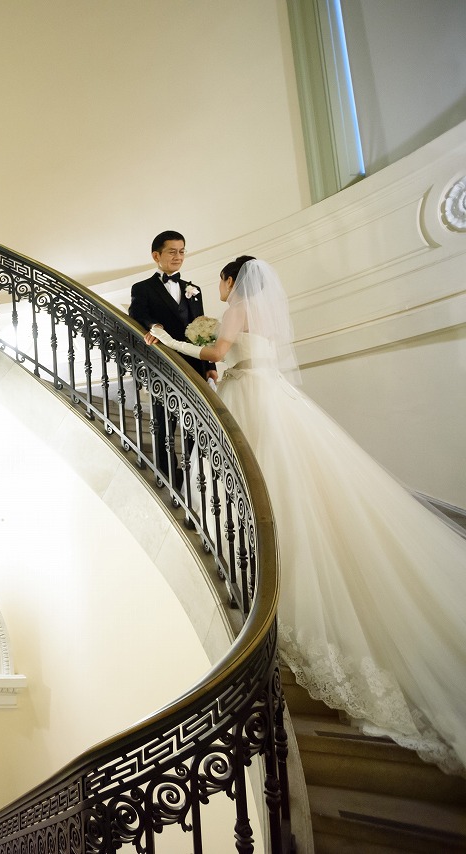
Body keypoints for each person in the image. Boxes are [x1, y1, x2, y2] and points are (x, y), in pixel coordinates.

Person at [148, 255, 466, 774]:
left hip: (248, 398)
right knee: (288, 486)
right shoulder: (268, 312)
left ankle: (254, 577)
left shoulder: (238, 308)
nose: (221, 290)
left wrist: (169, 340)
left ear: (233, 280)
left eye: (223, 281)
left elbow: (218, 350)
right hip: (275, 397)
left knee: (244, 480)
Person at [129, 231, 216, 487]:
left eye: (182, 251)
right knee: (164, 423)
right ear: (156, 255)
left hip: (194, 366)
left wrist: (209, 366)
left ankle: (194, 479)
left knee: (194, 424)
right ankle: (167, 478)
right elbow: (137, 312)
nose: (178, 256)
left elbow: (202, 328)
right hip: (162, 366)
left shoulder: (194, 290)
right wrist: (152, 325)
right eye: (172, 251)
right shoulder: (142, 288)